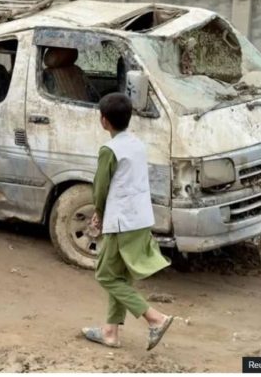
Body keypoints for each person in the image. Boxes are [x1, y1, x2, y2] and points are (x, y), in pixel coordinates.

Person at [82, 93, 173, 351]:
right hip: (141, 218)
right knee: (119, 276)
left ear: (103, 121)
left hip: (121, 221)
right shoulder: (136, 144)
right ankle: (110, 332)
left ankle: (155, 318)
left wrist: (98, 213)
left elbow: (100, 187)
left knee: (105, 276)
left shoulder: (109, 150)